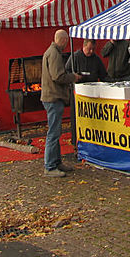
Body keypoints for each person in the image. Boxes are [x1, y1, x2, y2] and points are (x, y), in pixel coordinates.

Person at [41, 29, 79, 178]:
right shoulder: (55, 54)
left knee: (55, 132)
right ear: (63, 40)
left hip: (51, 96)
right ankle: (50, 166)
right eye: (66, 41)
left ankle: (56, 162)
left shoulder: (50, 52)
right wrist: (73, 77)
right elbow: (58, 76)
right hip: (53, 97)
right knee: (53, 133)